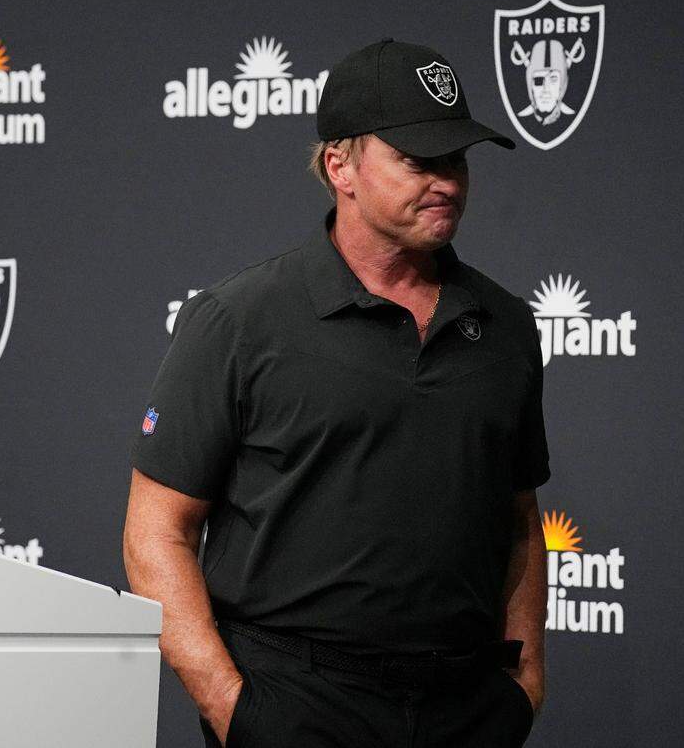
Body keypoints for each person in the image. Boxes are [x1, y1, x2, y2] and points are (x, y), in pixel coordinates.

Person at [123, 38, 551, 748]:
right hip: (297, 705)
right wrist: (237, 710)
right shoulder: (240, 318)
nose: (447, 180)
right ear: (340, 165)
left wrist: (524, 684)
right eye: (419, 160)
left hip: (467, 711)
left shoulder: (506, 326)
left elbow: (519, 519)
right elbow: (155, 533)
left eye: (458, 159)